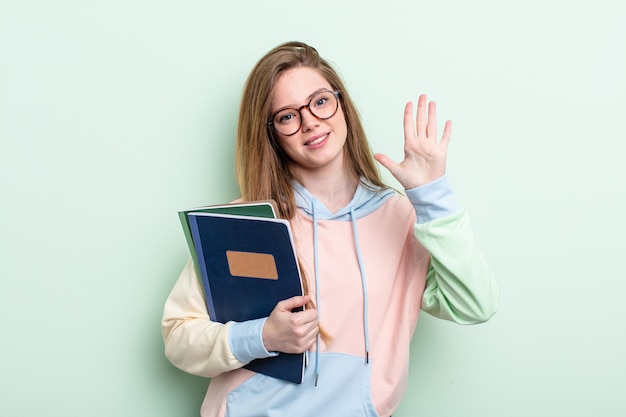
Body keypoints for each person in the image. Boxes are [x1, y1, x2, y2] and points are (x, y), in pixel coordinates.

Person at [162, 41, 498, 417]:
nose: (310, 121)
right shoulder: (245, 222)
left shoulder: (403, 218)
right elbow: (178, 338)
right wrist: (262, 336)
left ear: (342, 105)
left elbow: (475, 305)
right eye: (288, 116)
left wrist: (432, 196)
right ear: (271, 133)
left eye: (320, 101)